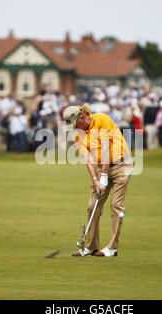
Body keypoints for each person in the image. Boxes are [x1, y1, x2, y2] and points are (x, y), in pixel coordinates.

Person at [64, 104, 132, 257]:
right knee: (92, 206)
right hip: (102, 167)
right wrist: (96, 179)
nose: (74, 128)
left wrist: (104, 175)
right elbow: (88, 159)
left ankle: (112, 248)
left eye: (75, 124)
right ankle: (91, 246)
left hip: (122, 165)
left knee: (116, 205)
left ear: (82, 117)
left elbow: (106, 148)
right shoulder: (78, 135)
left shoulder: (102, 119)